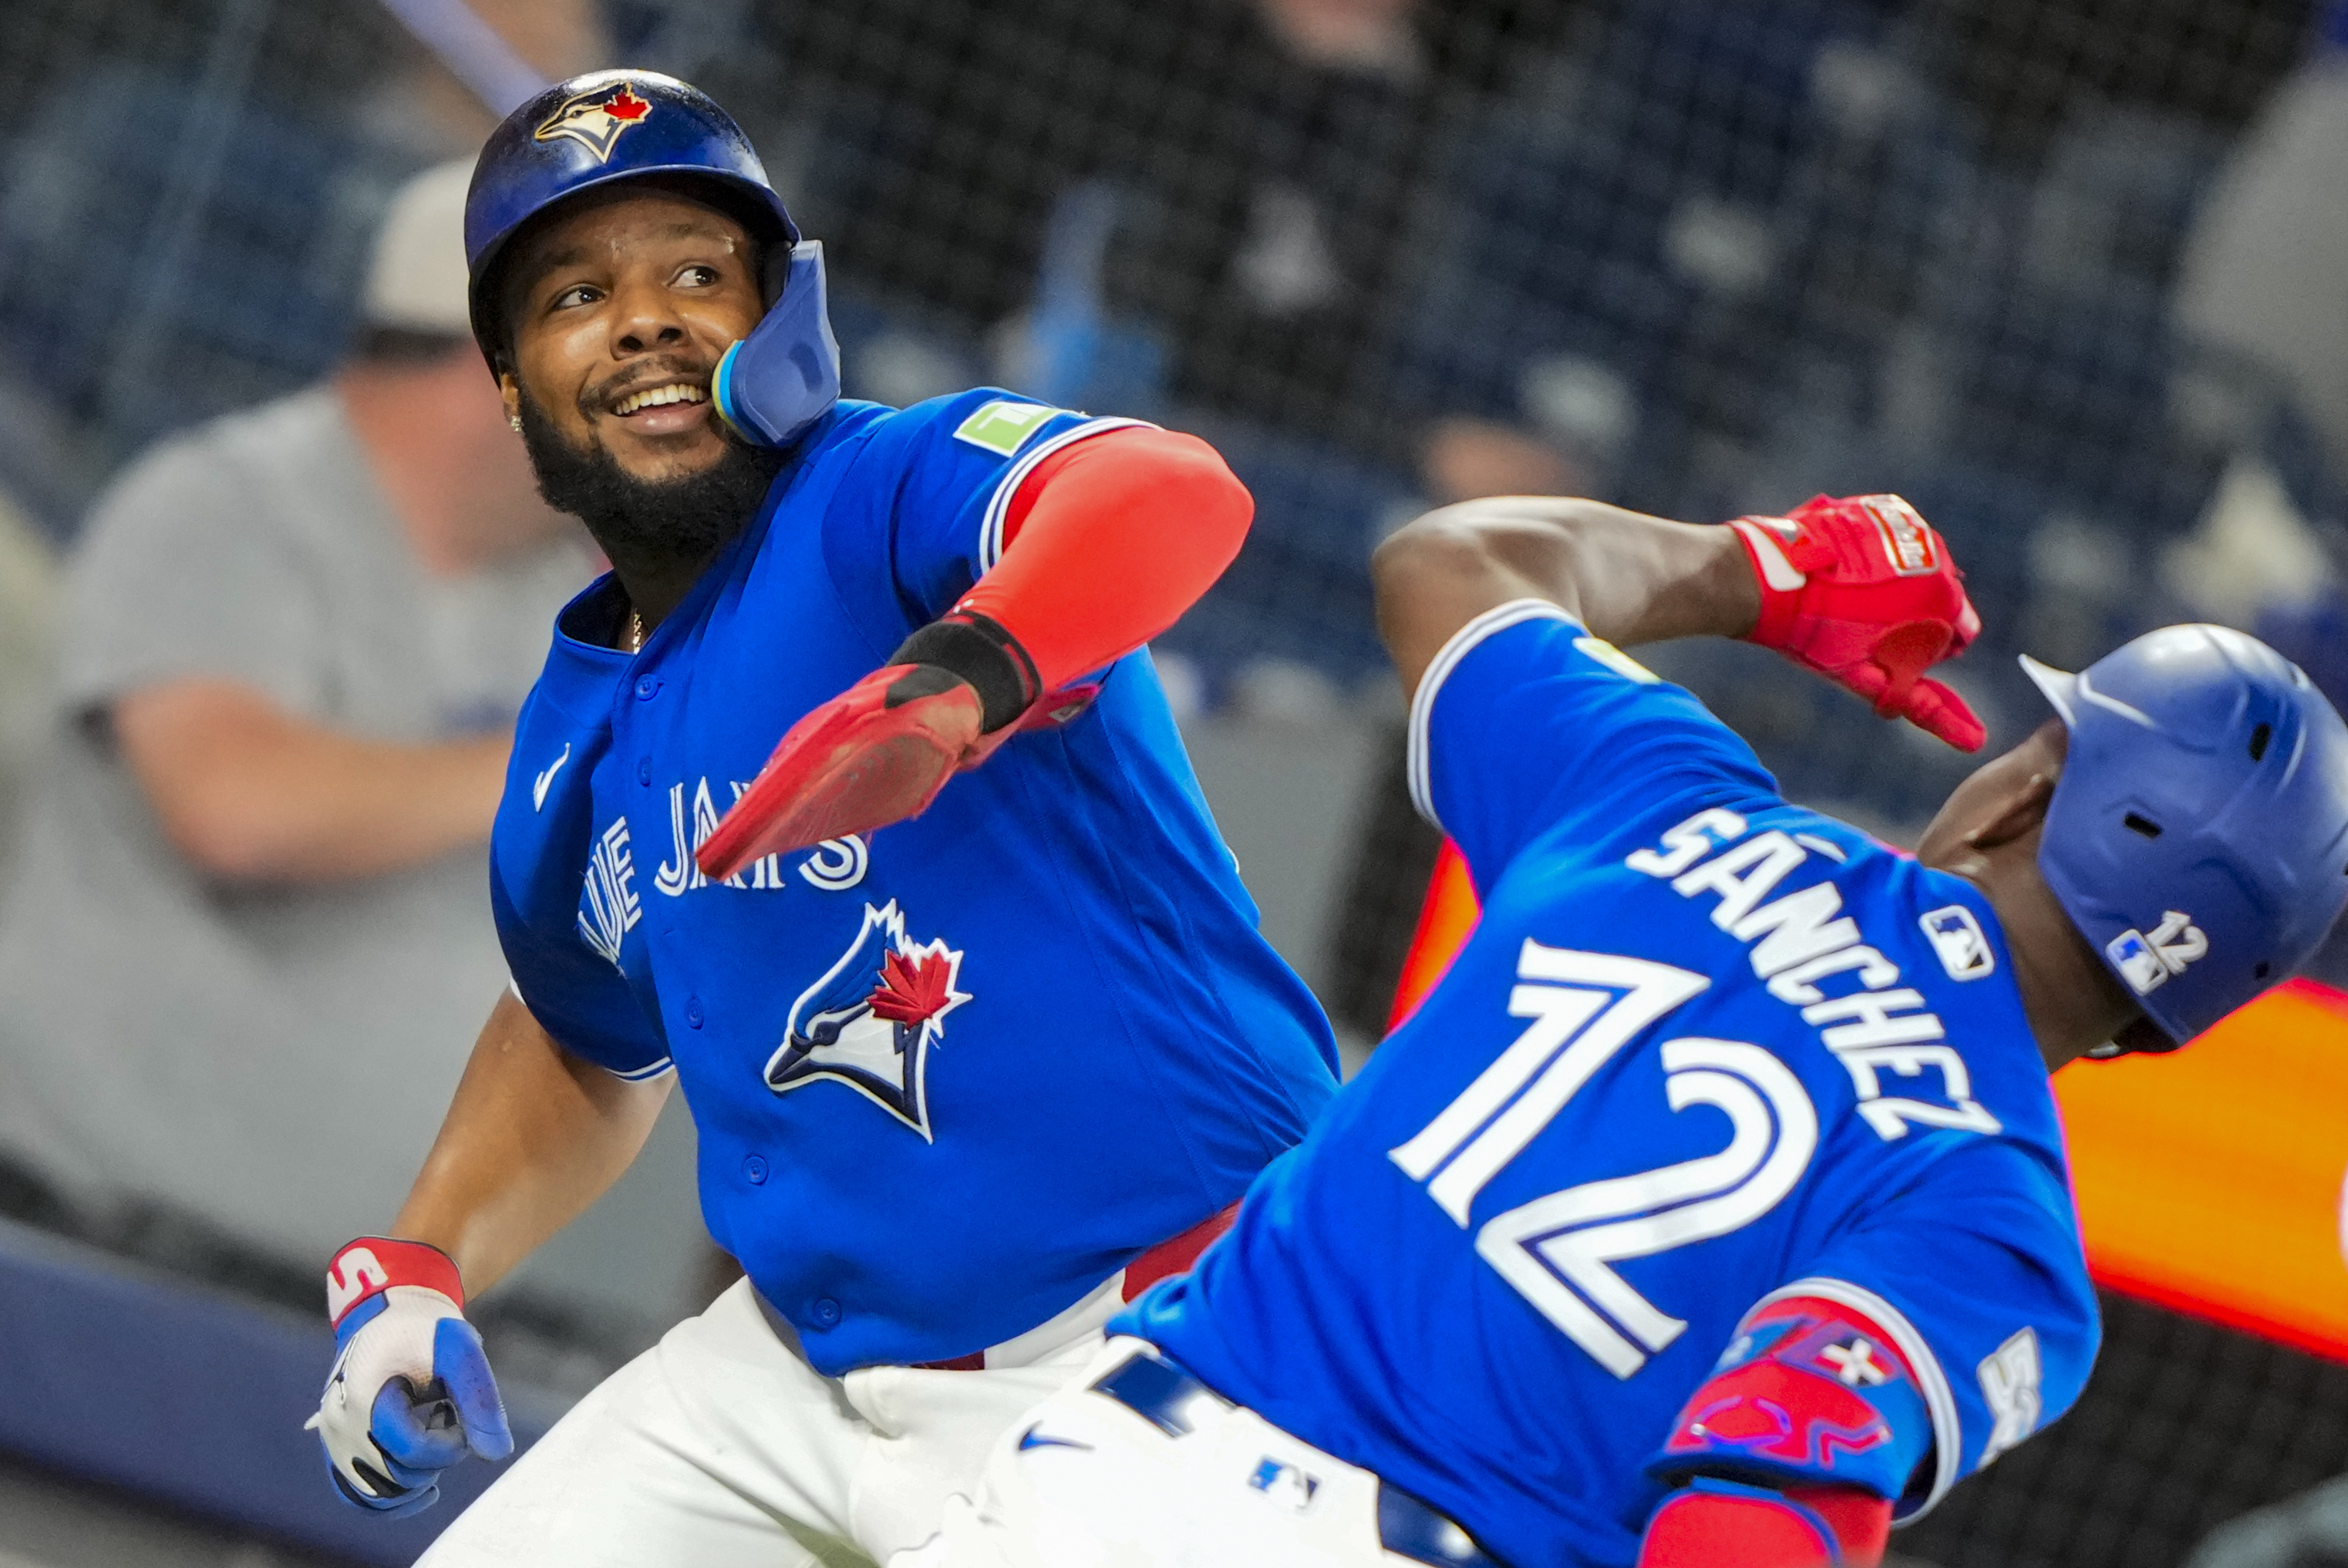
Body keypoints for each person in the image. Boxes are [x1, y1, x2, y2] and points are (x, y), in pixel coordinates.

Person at [893, 492, 2348, 1568]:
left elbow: (1450, 559)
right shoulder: (1997, 1227)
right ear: (2186, 1016)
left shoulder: (1666, 797)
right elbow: (1754, 1511)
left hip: (1085, 1476)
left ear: (2023, 797)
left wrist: (1754, 573)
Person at [305, 72, 1339, 1565]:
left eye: (696, 274)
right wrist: (421, 1266)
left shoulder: (886, 489)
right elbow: (587, 1034)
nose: (645, 316)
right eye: (576, 292)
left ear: (784, 316)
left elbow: (1163, 489)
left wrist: (961, 678)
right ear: (513, 380)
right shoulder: (573, 729)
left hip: (1166, 1350)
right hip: (785, 1377)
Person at [0, 160, 591, 1274]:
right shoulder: (223, 504)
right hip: (83, 1265)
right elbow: (235, 810)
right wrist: (569, 749)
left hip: (373, 1317)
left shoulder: (565, 601)